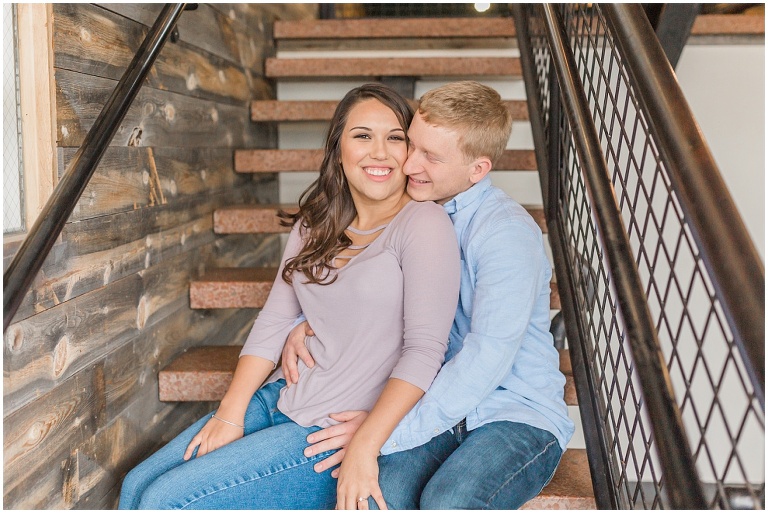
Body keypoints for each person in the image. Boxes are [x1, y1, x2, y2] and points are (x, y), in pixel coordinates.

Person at [118, 84, 460, 510]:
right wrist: (231, 412)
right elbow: (275, 320)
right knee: (135, 487)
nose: (380, 152)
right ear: (338, 149)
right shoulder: (314, 224)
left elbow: (425, 350)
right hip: (281, 397)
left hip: (332, 426)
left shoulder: (423, 223)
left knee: (164, 502)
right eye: (362, 136)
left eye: (395, 138)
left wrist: (369, 439)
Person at [282, 80, 575, 509]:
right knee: (375, 500)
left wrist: (381, 433)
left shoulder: (505, 233)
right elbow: (362, 287)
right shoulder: (409, 210)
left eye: (431, 157)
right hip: (437, 407)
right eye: (412, 146)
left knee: (447, 502)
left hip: (511, 415)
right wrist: (305, 322)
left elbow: (487, 358)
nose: (409, 164)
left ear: (478, 169)